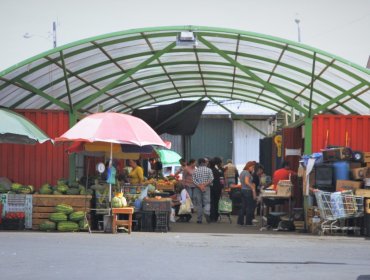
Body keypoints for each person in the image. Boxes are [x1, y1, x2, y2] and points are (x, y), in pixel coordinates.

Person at [192, 158, 214, 224]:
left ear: (198, 163)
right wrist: (204, 185)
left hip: (197, 188)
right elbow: (211, 179)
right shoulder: (209, 170)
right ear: (205, 162)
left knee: (199, 203)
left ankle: (199, 219)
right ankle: (207, 213)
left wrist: (200, 186)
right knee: (207, 202)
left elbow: (193, 180)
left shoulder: (195, 171)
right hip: (206, 188)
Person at [237, 161, 257, 226]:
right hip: (248, 191)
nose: (253, 169)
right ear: (249, 166)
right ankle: (248, 222)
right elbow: (247, 182)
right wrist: (253, 188)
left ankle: (240, 221)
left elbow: (241, 180)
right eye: (252, 167)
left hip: (242, 190)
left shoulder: (242, 172)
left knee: (243, 206)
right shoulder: (247, 173)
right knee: (249, 207)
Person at [209, 157, 225, 222]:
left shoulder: (210, 169)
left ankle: (211, 216)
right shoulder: (220, 170)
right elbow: (222, 180)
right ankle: (216, 216)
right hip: (218, 188)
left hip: (211, 187)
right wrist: (222, 187)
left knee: (211, 202)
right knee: (216, 202)